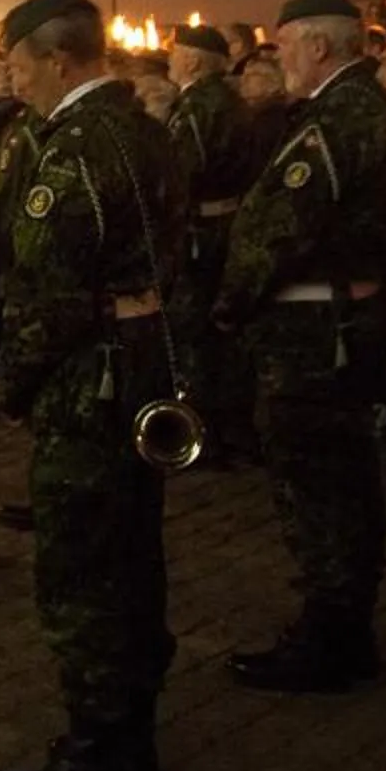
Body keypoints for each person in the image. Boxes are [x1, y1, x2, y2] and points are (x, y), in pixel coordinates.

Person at [0, 0, 179, 771]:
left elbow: (49, 290)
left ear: (58, 61)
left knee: (83, 568)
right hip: (137, 357)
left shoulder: (72, 150)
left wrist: (15, 381)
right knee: (132, 553)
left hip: (87, 377)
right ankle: (127, 737)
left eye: (18, 64)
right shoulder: (143, 128)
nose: (13, 79)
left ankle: (100, 752)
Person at [214, 0, 386, 694]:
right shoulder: (356, 109)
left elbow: (281, 227)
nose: (280, 58)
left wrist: (232, 302)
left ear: (319, 46)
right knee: (338, 479)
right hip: (336, 318)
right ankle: (339, 624)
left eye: (287, 44)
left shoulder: (338, 118)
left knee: (320, 483)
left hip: (314, 329)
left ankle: (332, 633)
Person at [163, 24, 260, 463]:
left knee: (195, 331)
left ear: (193, 61)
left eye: (176, 53)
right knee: (223, 330)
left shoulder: (198, 105)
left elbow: (181, 170)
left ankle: (203, 430)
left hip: (200, 230)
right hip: (226, 222)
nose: (170, 60)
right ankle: (234, 426)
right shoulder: (231, 100)